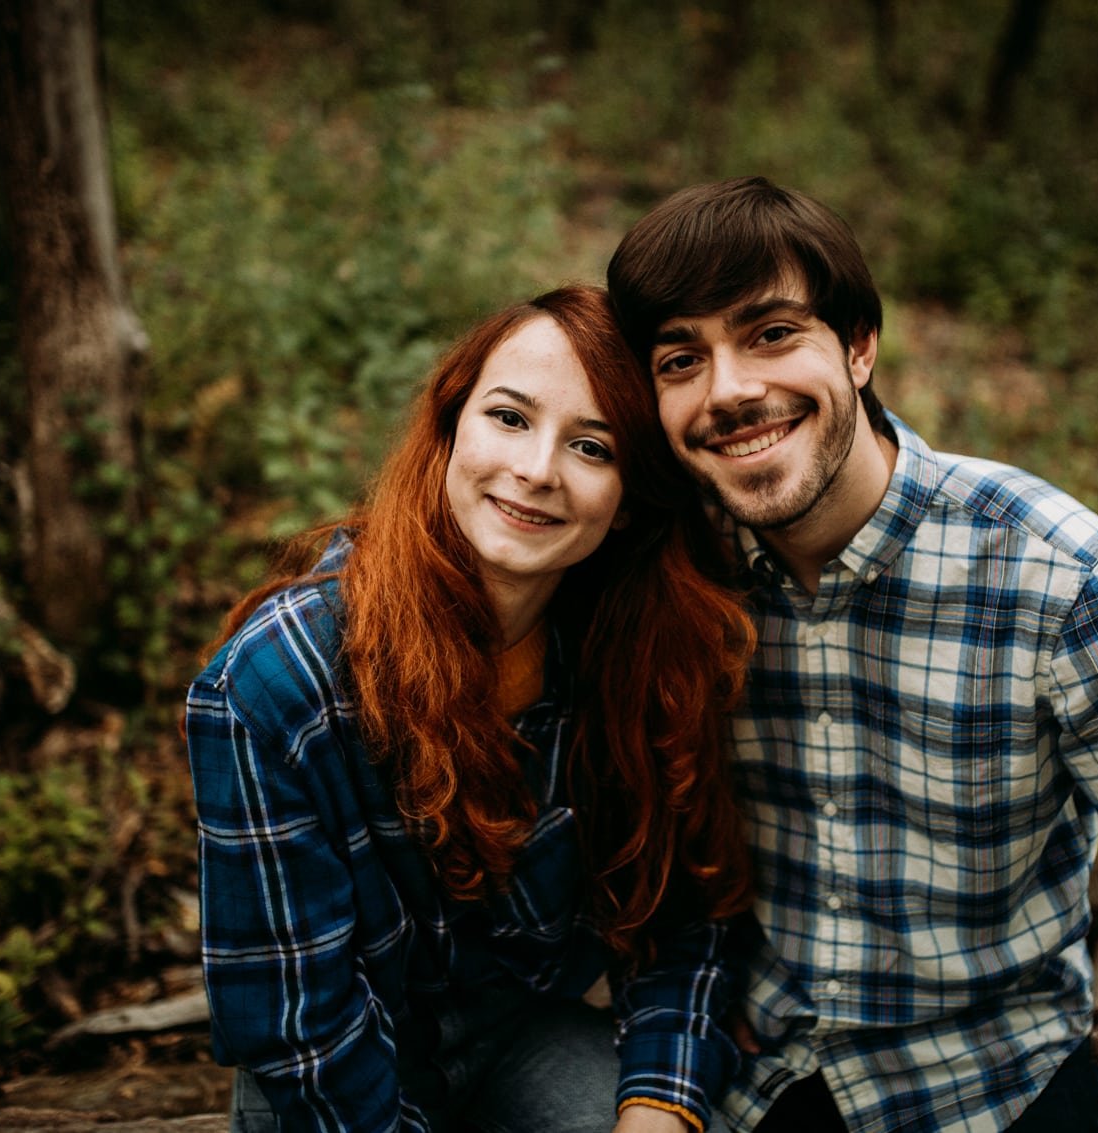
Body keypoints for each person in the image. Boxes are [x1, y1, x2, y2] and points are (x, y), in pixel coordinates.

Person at [605, 178, 1098, 1133]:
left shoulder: (1056, 574)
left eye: (771, 333)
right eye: (683, 357)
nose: (730, 390)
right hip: (749, 1078)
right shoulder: (676, 570)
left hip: (985, 1085)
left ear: (859, 347)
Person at [185, 285, 758, 1133]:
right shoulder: (277, 682)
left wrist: (658, 1111)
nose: (536, 470)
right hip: (335, 1082)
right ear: (453, 428)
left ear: (630, 497)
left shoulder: (630, 654)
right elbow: (301, 1033)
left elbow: (684, 921)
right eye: (510, 417)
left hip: (515, 1043)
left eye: (592, 447)